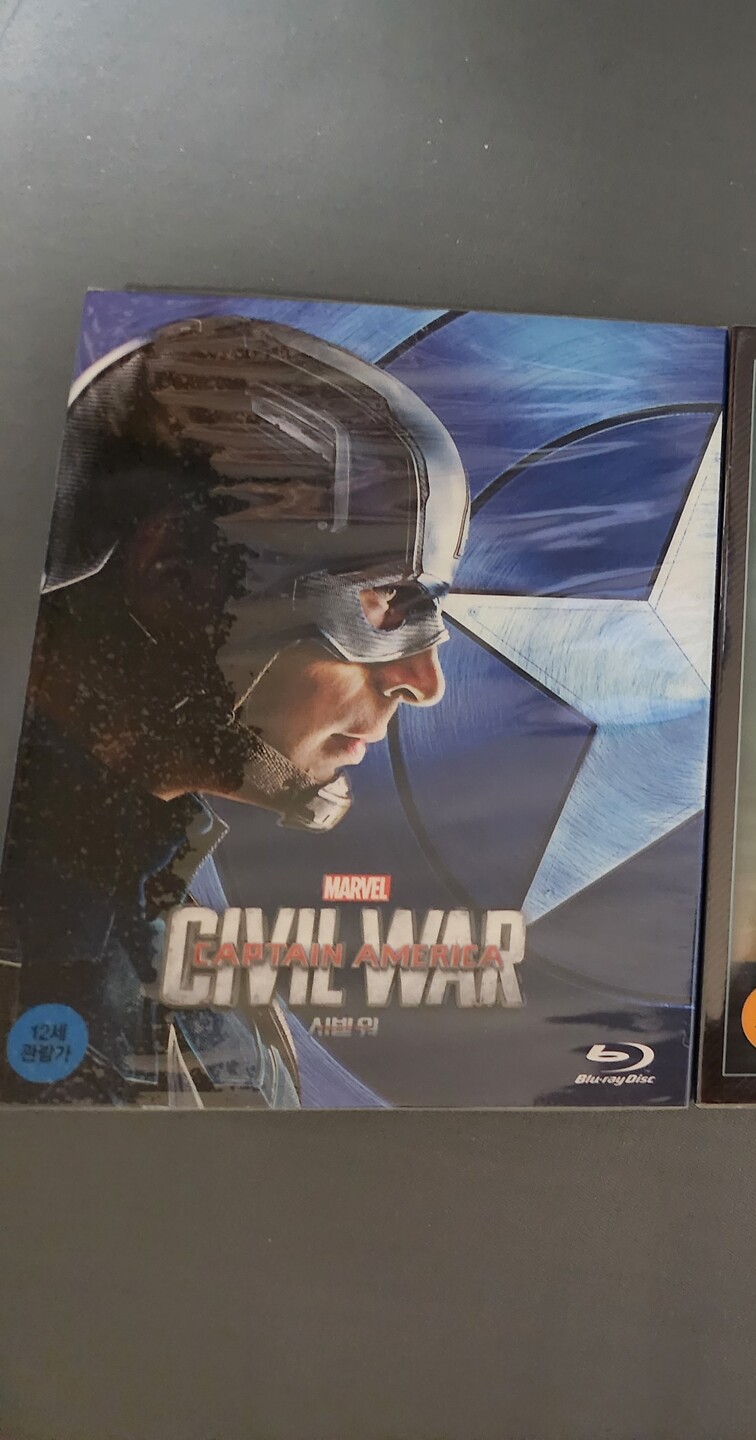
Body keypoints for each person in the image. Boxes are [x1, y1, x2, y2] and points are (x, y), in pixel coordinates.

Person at [0, 315, 467, 1105]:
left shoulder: (152, 891)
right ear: (178, 575)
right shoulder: (42, 921)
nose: (423, 681)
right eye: (384, 600)